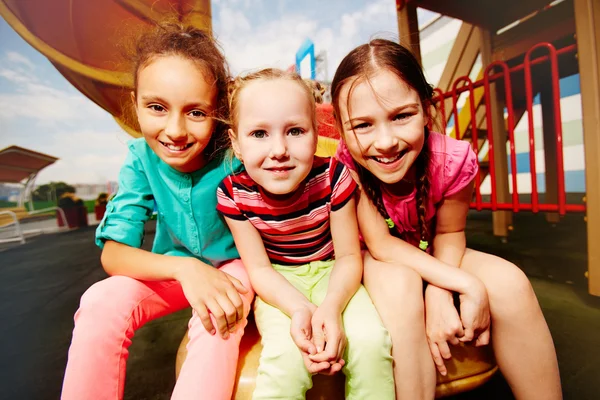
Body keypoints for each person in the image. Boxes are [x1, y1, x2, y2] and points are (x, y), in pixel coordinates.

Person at [330, 38, 562, 399]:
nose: (386, 141)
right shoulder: (346, 166)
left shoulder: (453, 159)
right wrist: (465, 285)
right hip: (377, 257)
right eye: (363, 125)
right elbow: (380, 244)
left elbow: (451, 233)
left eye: (402, 116)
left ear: (426, 110)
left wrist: (439, 292)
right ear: (342, 130)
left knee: (511, 283)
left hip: (436, 251)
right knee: (403, 289)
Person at [61, 23, 254, 400]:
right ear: (135, 104)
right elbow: (114, 253)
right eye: (156, 108)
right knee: (99, 303)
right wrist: (185, 268)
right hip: (176, 269)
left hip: (237, 265)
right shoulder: (140, 158)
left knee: (218, 311)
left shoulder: (235, 153)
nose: (175, 130)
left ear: (218, 111)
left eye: (196, 112)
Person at [216, 68, 395, 400]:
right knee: (285, 358)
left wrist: (331, 307)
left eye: (295, 131)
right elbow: (260, 269)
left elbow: (348, 257)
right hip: (278, 281)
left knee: (372, 343)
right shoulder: (231, 194)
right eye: (259, 134)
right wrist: (300, 309)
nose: (279, 149)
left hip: (336, 273)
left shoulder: (334, 177)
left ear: (316, 134)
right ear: (236, 143)